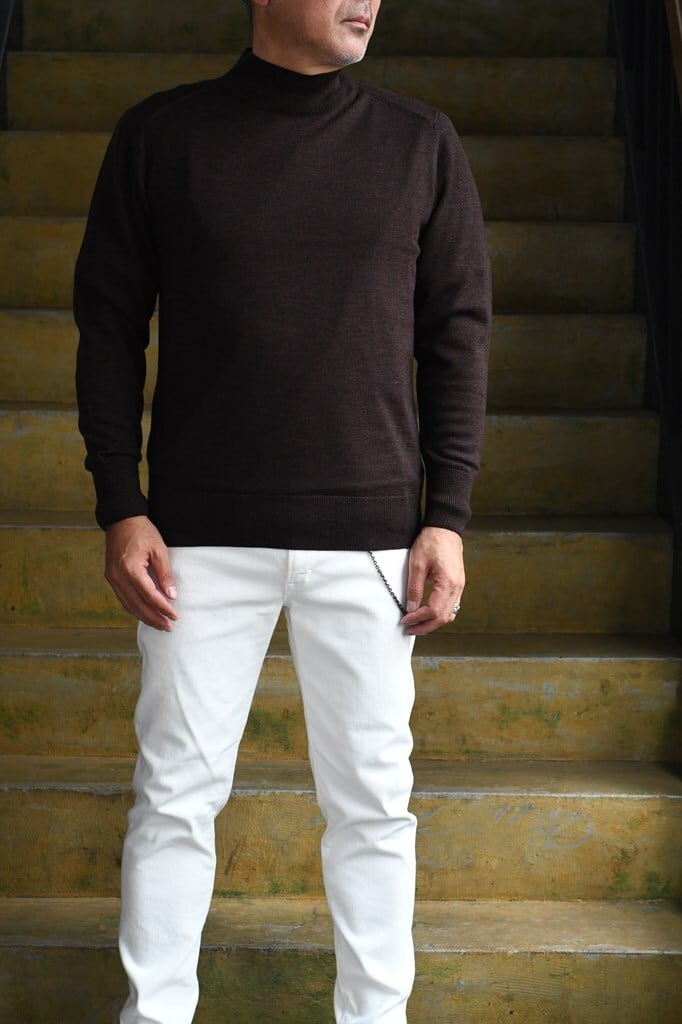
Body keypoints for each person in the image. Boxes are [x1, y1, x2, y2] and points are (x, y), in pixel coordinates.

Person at [74, 1, 491, 1021]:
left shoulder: (419, 143)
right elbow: (108, 325)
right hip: (195, 541)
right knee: (174, 799)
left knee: (374, 809)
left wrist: (447, 514)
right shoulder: (162, 136)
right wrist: (120, 504)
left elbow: (457, 331)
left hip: (374, 540)